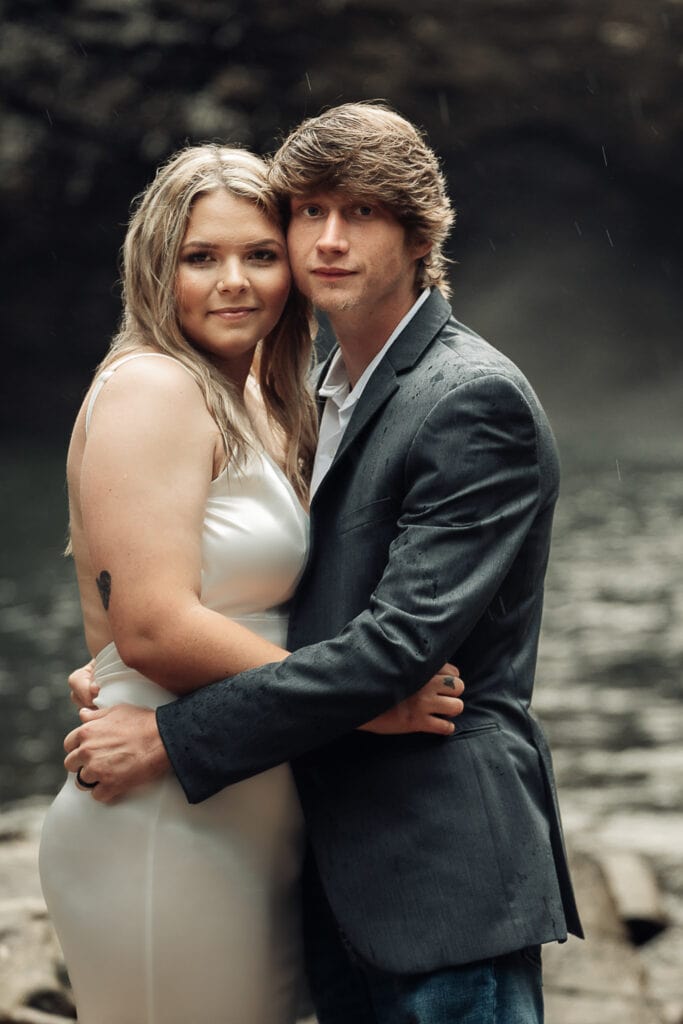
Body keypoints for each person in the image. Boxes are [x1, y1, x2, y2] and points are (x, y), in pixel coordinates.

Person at [65, 102, 583, 1023]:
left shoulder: (469, 399)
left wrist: (175, 731)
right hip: (318, 861)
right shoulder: (303, 391)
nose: (329, 240)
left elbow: (393, 652)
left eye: (365, 212)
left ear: (422, 233)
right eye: (308, 212)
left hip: (437, 868)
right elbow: (269, 596)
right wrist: (124, 657)